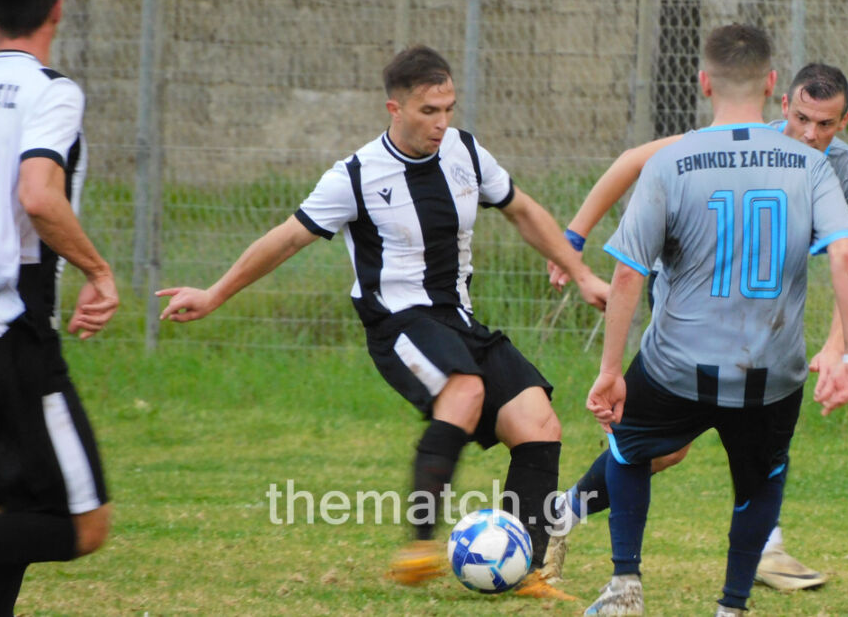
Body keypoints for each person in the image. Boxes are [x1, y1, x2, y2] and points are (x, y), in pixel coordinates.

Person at [157, 44, 609, 600]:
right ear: (395, 109)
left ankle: (523, 570)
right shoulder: (356, 175)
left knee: (537, 422)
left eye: (448, 109)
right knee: (464, 390)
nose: (442, 123)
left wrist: (581, 274)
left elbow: (522, 209)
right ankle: (419, 545)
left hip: (458, 319)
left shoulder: (466, 152)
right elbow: (287, 238)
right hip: (397, 322)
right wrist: (215, 293)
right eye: (428, 111)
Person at [544, 62, 848, 592]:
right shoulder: (739, 142)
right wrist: (573, 238)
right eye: (802, 119)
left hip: (756, 320)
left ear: (845, 122)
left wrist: (840, 345)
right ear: (782, 104)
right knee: (689, 435)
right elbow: (632, 161)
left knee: (674, 449)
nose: (811, 134)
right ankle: (754, 549)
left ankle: (565, 512)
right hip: (689, 298)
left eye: (826, 124)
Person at [0, 0, 119, 614]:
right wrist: (98, 270)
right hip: (11, 331)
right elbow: (38, 194)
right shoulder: (52, 92)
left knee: (18, 505)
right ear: (58, 10)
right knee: (82, 524)